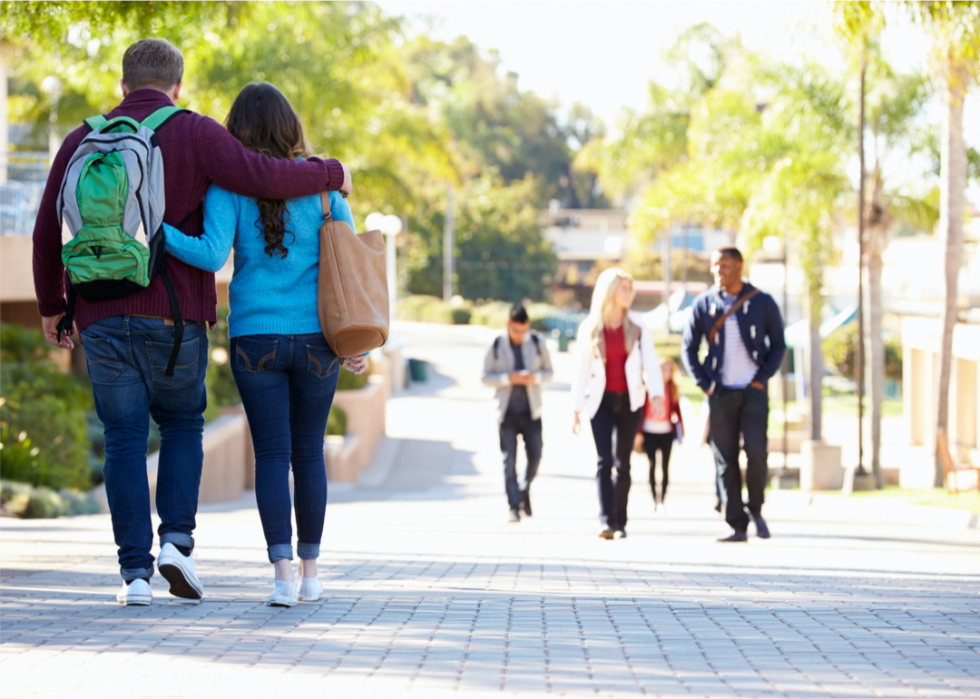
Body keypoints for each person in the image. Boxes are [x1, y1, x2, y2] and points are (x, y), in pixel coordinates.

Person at [32, 39, 353, 606]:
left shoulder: (80, 138)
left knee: (124, 439)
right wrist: (331, 172)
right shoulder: (197, 131)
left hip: (101, 317)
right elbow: (267, 175)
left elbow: (44, 231)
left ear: (122, 83)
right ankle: (177, 542)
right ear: (176, 84)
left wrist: (53, 307)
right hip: (175, 317)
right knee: (182, 425)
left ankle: (134, 576)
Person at [163, 82, 367, 607]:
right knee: (310, 456)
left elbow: (210, 256)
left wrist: (158, 234)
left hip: (256, 337)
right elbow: (350, 267)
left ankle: (280, 578)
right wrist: (358, 341)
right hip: (320, 340)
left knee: (272, 455)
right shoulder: (324, 189)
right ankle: (312, 574)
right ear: (291, 126)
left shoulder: (228, 188)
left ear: (236, 132)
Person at [681, 246, 786, 543]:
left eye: (724, 265)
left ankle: (756, 510)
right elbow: (688, 348)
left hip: (753, 391)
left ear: (739, 266)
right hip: (720, 392)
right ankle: (736, 524)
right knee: (725, 458)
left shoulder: (762, 302)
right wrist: (706, 384)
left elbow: (779, 344)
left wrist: (761, 379)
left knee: (756, 452)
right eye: (715, 266)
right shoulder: (703, 304)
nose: (718, 271)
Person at [571, 268, 664, 539]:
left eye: (629, 288)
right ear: (610, 291)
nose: (629, 293)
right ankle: (605, 521)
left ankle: (620, 522)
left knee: (623, 462)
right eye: (624, 288)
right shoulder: (590, 327)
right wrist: (576, 409)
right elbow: (580, 369)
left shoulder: (637, 326)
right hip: (599, 401)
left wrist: (656, 395)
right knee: (604, 461)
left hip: (629, 401)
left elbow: (650, 361)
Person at [481, 304, 554, 523]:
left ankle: (524, 488)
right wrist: (508, 378)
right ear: (508, 325)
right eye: (515, 331)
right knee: (509, 460)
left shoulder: (538, 343)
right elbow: (485, 377)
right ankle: (513, 507)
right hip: (507, 414)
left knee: (536, 456)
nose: (520, 336)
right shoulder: (496, 345)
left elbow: (550, 372)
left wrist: (535, 377)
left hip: (532, 412)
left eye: (523, 331)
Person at [634, 358, 684, 515]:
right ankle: (654, 499)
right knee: (652, 464)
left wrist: (682, 432)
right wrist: (638, 433)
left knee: (665, 467)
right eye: (662, 369)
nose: (664, 373)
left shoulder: (673, 389)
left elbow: (678, 412)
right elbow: (640, 413)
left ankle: (662, 499)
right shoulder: (648, 389)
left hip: (666, 432)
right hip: (650, 431)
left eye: (668, 370)